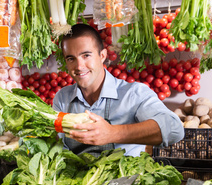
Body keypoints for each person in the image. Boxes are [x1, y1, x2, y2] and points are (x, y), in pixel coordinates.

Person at [53, 24, 184, 157]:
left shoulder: (133, 93)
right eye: (71, 59)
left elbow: (174, 129)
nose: (79, 66)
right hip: (76, 177)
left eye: (86, 55)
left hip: (123, 177)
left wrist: (113, 133)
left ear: (102, 55)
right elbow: (57, 146)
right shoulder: (62, 99)